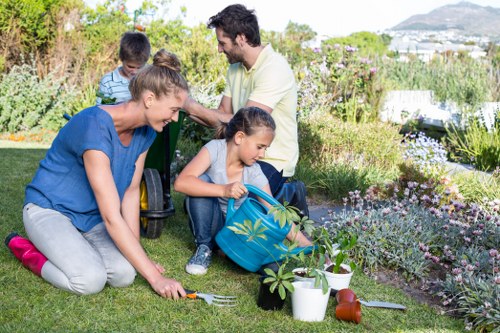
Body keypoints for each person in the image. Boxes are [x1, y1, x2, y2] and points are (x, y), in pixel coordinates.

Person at [5, 49, 188, 299]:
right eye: (174, 109)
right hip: (49, 209)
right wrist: (154, 277)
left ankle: (75, 245)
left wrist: (138, 256)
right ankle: (24, 249)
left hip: (90, 219)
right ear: (149, 99)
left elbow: (132, 192)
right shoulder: (95, 126)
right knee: (90, 280)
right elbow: (112, 216)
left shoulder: (147, 133)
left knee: (125, 275)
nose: (175, 117)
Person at [174, 106, 312, 275]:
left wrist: (305, 244)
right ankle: (204, 248)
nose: (262, 154)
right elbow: (181, 183)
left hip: (238, 232)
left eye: (265, 149)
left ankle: (227, 252)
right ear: (240, 137)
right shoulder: (215, 149)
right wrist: (224, 190)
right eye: (259, 146)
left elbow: (275, 211)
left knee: (271, 266)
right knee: (200, 182)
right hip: (211, 223)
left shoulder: (253, 171)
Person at [182, 4, 299, 197]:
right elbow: (222, 114)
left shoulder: (274, 68)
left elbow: (246, 125)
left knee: (243, 202)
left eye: (222, 43)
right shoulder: (235, 68)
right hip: (238, 151)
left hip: (269, 158)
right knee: (200, 191)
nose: (219, 49)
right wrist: (183, 106)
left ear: (241, 38)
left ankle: (292, 193)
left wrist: (191, 106)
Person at [96, 31, 151, 105]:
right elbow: (102, 110)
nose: (134, 71)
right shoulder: (107, 81)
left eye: (139, 67)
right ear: (122, 59)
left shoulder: (150, 78)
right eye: (130, 66)